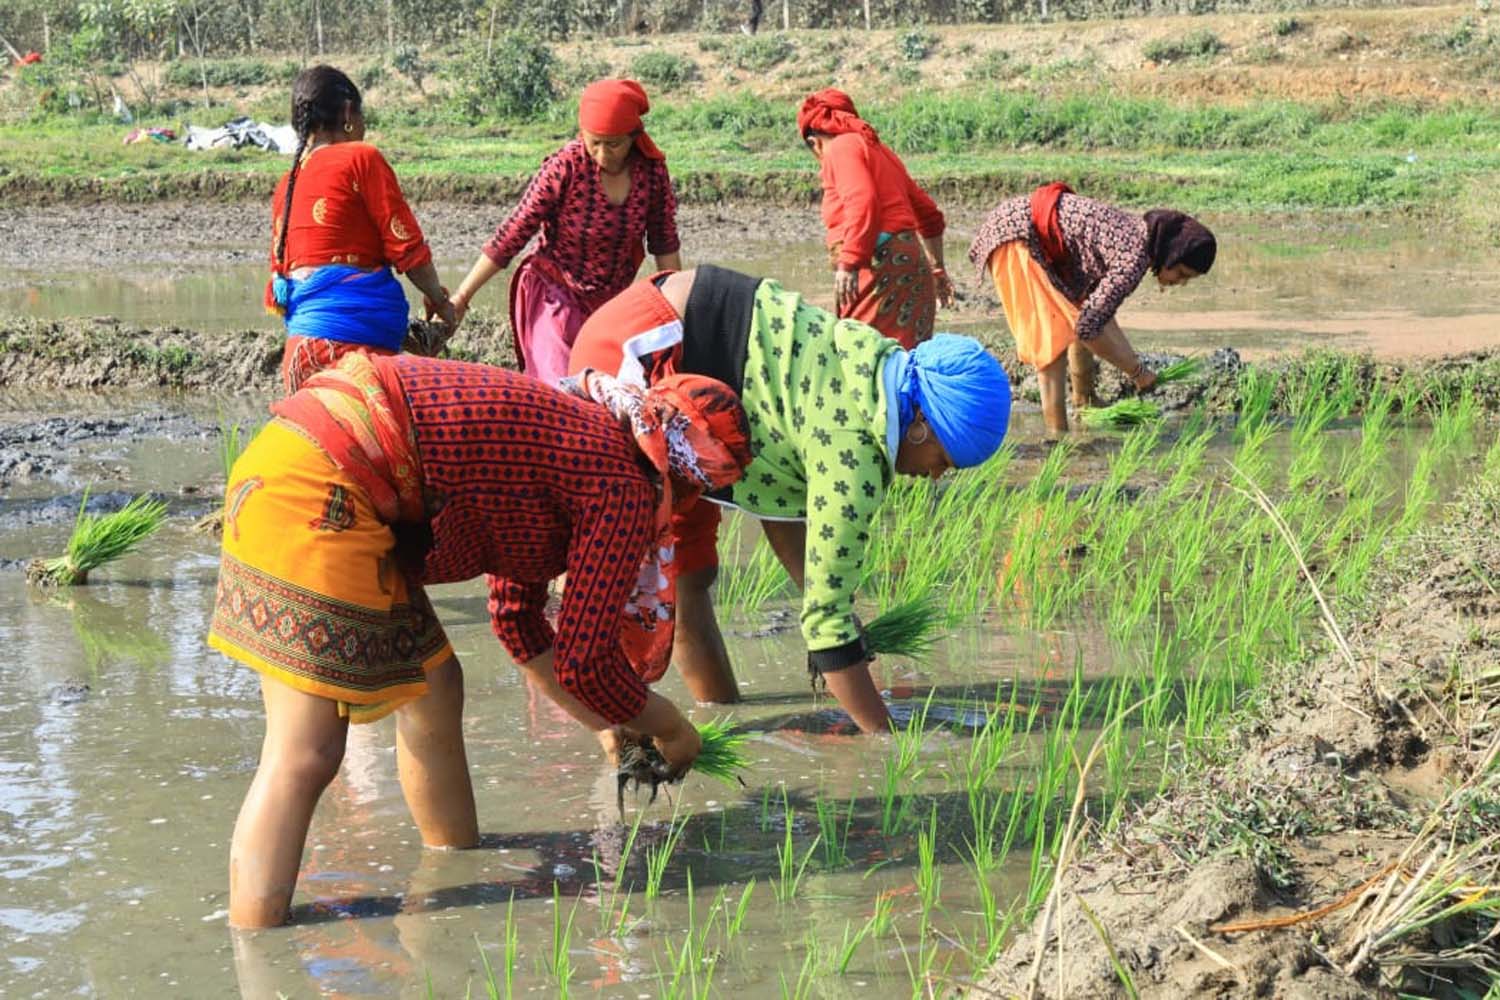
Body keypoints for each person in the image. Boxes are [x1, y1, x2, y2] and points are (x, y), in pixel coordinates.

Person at [208, 351, 750, 928]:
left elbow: (517, 618)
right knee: (306, 751)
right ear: (684, 479)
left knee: (435, 684)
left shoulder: (581, 435)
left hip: (302, 456)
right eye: (697, 495)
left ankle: (451, 863)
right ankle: (258, 944)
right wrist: (673, 729)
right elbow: (586, 663)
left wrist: (607, 726)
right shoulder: (622, 483)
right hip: (327, 485)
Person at [570, 265, 1011, 734]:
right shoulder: (855, 452)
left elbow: (782, 503)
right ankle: (624, 738)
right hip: (643, 357)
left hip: (670, 340)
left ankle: (722, 724)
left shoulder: (867, 365)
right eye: (943, 459)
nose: (935, 477)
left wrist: (823, 598)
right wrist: (886, 742)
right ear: (920, 423)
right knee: (640, 590)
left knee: (691, 572)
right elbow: (826, 630)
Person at [449, 79, 682, 384]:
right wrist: (462, 296)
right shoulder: (566, 167)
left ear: (633, 137)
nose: (601, 154)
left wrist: (677, 317)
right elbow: (513, 233)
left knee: (611, 394)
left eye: (612, 144)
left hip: (610, 303)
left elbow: (664, 243)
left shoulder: (651, 173)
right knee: (560, 388)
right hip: (554, 294)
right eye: (593, 142)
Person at [265, 65, 457, 393]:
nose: (365, 127)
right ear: (348, 113)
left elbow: (283, 286)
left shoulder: (288, 183)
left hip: (299, 357)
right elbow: (408, 250)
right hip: (352, 353)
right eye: (363, 115)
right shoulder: (362, 158)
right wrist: (440, 301)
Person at [968, 183, 1217, 434]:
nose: (1180, 282)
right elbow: (1088, 329)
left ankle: (1083, 399)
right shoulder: (1132, 260)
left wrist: (1134, 364)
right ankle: (1057, 435)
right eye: (1181, 272)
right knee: (1050, 341)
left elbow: (1096, 315)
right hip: (1018, 237)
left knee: (1080, 313)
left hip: (1027, 231)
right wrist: (1137, 372)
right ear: (1171, 253)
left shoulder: (1136, 237)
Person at [797, 88, 951, 349]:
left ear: (815, 142)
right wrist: (937, 267)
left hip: (878, 270)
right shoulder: (880, 151)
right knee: (907, 361)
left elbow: (862, 200)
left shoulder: (839, 148)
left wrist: (849, 262)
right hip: (912, 267)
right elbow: (929, 215)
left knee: (860, 359)